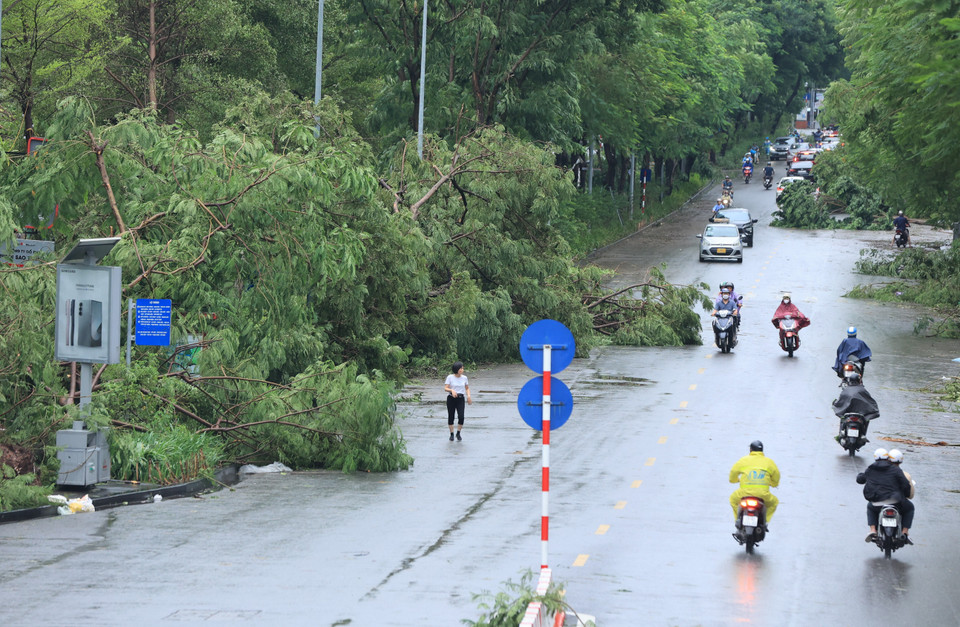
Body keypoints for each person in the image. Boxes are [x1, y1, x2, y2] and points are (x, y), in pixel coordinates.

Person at [857, 448, 915, 544]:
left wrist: (860, 476)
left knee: (870, 507)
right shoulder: (895, 469)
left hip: (877, 501)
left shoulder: (871, 468)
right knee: (910, 508)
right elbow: (905, 484)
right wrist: (906, 495)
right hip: (895, 501)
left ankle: (873, 530)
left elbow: (860, 479)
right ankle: (905, 532)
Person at [729, 440, 780, 526]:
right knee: (774, 503)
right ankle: (765, 522)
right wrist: (774, 484)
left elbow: (733, 473)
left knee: (733, 500)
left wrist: (735, 480)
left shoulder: (743, 460)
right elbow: (776, 476)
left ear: (750, 450)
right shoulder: (769, 462)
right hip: (763, 495)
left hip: (743, 493)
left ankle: (738, 520)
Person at [832, 372, 880, 438]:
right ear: (859, 380)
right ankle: (863, 434)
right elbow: (870, 401)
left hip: (849, 416)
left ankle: (841, 433)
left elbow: (841, 402)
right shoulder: (862, 390)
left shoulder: (846, 390)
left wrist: (835, 404)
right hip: (859, 415)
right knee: (866, 419)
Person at [444, 361, 472, 441]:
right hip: (451, 398)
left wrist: (468, 396)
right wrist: (451, 390)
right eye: (461, 368)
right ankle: (451, 434)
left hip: (460, 398)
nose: (462, 370)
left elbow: (467, 388)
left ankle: (458, 433)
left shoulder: (464, 378)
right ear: (457, 369)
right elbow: (445, 388)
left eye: (463, 368)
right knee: (451, 416)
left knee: (461, 416)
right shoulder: (450, 377)